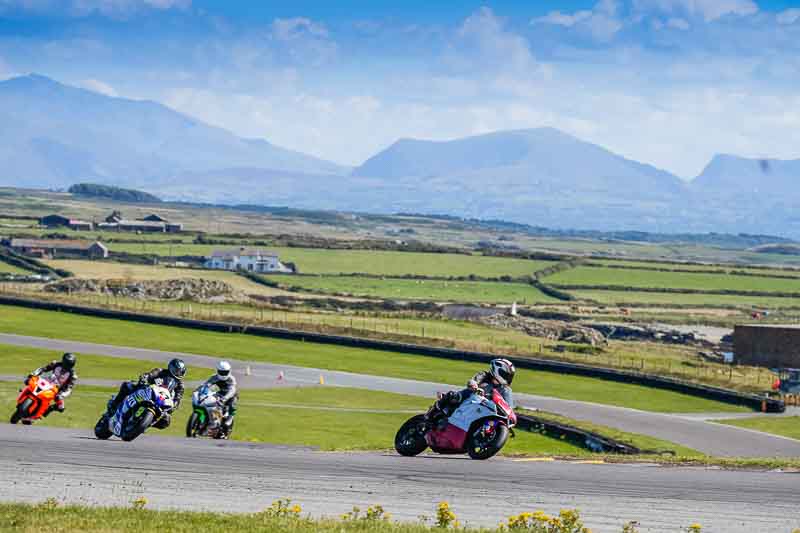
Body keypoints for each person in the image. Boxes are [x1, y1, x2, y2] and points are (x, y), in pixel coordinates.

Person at [103, 358, 186, 429]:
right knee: (128, 385)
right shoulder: (160, 371)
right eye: (176, 370)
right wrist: (145, 378)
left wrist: (175, 404)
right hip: (148, 391)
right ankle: (114, 405)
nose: (177, 373)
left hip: (161, 401)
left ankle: (143, 424)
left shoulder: (180, 386)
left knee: (166, 421)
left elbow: (178, 397)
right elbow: (150, 374)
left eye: (179, 372)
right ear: (171, 367)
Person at [432, 358, 516, 421]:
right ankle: (432, 413)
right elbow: (474, 380)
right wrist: (474, 385)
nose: (509, 378)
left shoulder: (506, 390)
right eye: (507, 375)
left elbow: (509, 407)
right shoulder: (484, 375)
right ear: (498, 371)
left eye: (510, 376)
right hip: (471, 399)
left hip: (486, 410)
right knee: (453, 395)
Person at [27, 353, 78, 417]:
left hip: (59, 389)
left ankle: (50, 409)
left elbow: (69, 388)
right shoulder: (56, 364)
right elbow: (43, 369)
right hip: (48, 382)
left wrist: (61, 394)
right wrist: (33, 374)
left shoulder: (73, 375)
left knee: (61, 407)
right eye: (66, 363)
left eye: (69, 364)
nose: (67, 365)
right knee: (31, 381)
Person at [198, 360, 238, 438]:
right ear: (217, 371)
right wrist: (199, 390)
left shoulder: (231, 379)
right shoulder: (214, 377)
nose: (223, 374)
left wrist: (225, 398)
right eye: (221, 372)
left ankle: (230, 418)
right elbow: (206, 384)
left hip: (230, 395)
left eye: (225, 372)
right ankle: (210, 421)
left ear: (229, 371)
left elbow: (232, 390)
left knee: (233, 403)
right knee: (208, 402)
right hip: (219, 394)